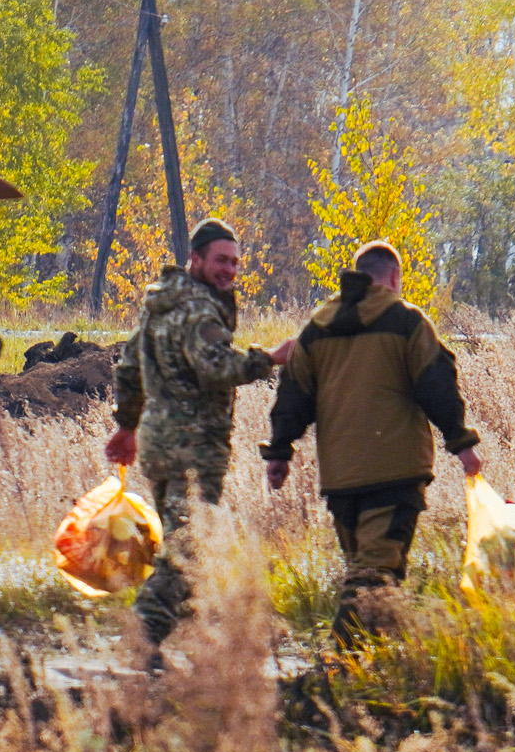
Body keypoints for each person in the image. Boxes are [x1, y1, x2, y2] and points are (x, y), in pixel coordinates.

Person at [262, 242, 484, 641]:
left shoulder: (316, 329)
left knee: (366, 572)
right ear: (394, 278)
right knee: (374, 576)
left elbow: (292, 396)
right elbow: (437, 385)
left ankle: (374, 674)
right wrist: (462, 442)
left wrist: (280, 451)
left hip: (341, 480)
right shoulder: (406, 321)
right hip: (395, 473)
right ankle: (337, 666)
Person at [105, 218, 295, 646]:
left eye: (234, 262)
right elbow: (216, 367)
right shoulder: (200, 311)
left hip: (159, 444)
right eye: (220, 260)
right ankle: (142, 639)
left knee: (182, 543)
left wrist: (128, 426)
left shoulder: (160, 305)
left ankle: (194, 650)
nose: (229, 270)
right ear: (195, 259)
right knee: (187, 549)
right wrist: (272, 358)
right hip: (193, 449)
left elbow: (130, 368)